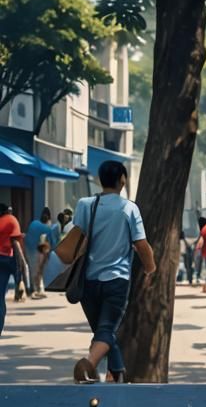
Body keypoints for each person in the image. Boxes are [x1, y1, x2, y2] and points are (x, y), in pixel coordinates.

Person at [55, 160, 156, 383]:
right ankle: (88, 365)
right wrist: (150, 268)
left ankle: (116, 373)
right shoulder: (129, 208)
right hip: (116, 280)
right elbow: (141, 245)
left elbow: (78, 237)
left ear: (101, 180)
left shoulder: (85, 204)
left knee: (104, 332)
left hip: (87, 281)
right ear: (122, 180)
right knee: (107, 330)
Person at [0, 203, 31, 335]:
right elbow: (16, 243)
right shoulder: (12, 220)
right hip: (9, 258)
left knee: (0, 296)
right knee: (20, 276)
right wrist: (22, 267)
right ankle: (21, 289)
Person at [25, 207, 58, 282]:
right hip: (36, 250)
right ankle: (36, 288)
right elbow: (52, 244)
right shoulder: (47, 228)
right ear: (49, 219)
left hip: (27, 247)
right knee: (38, 270)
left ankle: (32, 288)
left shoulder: (34, 223)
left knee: (31, 269)